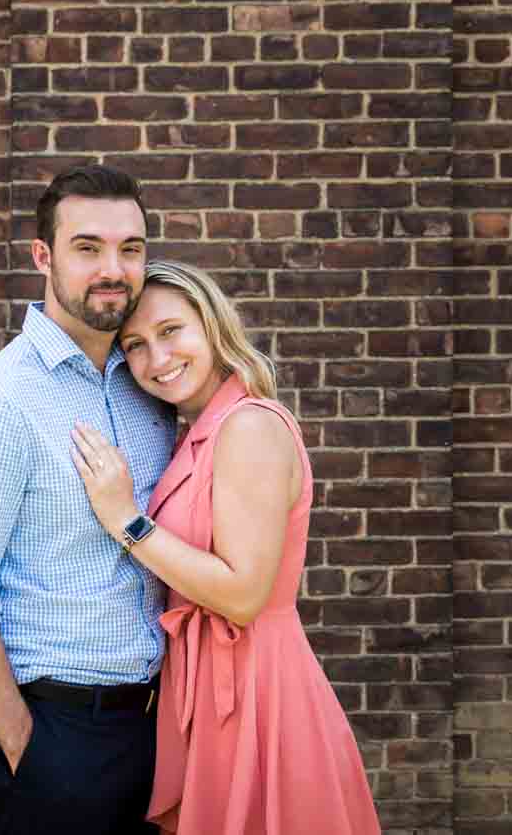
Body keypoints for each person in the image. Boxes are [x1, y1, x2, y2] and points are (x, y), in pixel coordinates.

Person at [69, 260, 382, 835]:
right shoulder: (196, 430)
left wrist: (126, 520)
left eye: (171, 332)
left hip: (257, 687)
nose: (157, 360)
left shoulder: (250, 426)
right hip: (205, 685)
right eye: (135, 345)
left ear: (212, 326)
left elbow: (242, 595)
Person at [0, 165, 173, 835]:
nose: (114, 268)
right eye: (87, 247)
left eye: (132, 248)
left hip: (158, 728)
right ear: (44, 255)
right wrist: (25, 746)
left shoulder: (150, 386)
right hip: (56, 735)